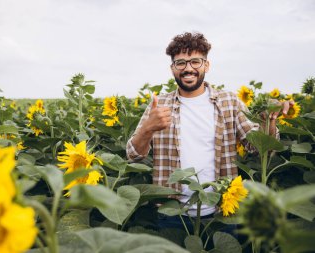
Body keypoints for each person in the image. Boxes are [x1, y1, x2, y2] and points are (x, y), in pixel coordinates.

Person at [126, 32, 293, 230]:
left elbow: (260, 150)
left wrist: (270, 120)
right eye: (180, 63)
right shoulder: (158, 105)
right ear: (172, 69)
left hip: (223, 211)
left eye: (195, 61)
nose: (188, 69)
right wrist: (147, 128)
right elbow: (132, 155)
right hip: (172, 212)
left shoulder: (229, 102)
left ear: (206, 65)